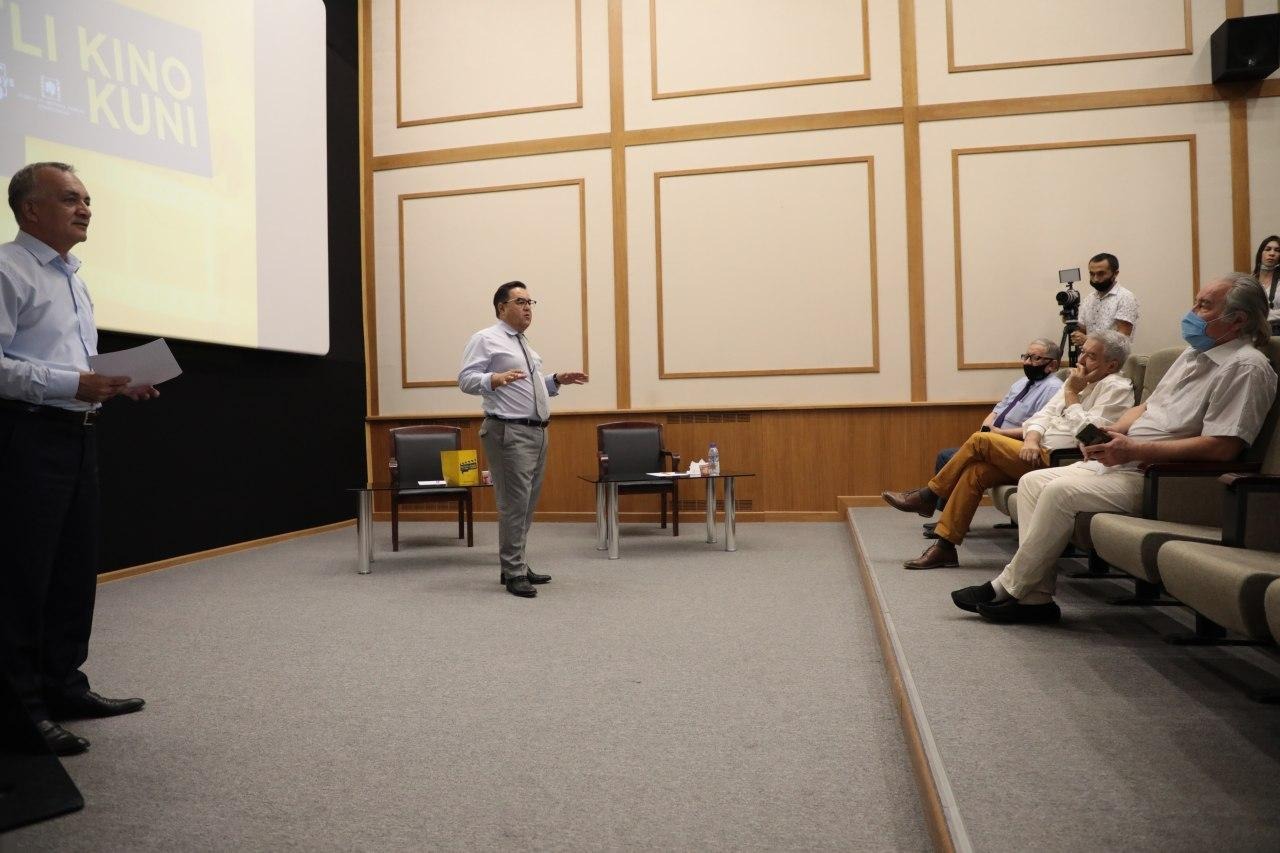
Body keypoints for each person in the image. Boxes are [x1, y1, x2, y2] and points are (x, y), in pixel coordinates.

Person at [951, 273, 1277, 624]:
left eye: (1204, 306)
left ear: (1237, 320)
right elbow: (1147, 407)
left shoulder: (1247, 367)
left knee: (1059, 492)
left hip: (1165, 480)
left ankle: (1007, 586)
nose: (1192, 312)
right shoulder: (1192, 355)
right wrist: (1112, 433)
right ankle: (1035, 598)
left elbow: (1222, 448)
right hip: (1127, 462)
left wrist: (1134, 450)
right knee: (1032, 482)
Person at [0, 162, 159, 757]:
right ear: (30, 209)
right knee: (22, 577)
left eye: (87, 199)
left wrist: (117, 382)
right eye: (70, 199)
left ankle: (64, 687)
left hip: (77, 435)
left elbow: (72, 359)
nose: (85, 208)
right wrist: (72, 384)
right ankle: (21, 713)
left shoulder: (73, 277)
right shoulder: (7, 269)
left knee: (71, 570)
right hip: (25, 437)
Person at [882, 331, 1134, 568]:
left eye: (1091, 356)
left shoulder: (1116, 389)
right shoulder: (1077, 382)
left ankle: (928, 496)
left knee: (980, 440)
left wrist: (1071, 395)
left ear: (1111, 365)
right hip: (1034, 451)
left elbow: (1091, 436)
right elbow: (1041, 418)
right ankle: (944, 547)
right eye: (1083, 352)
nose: (1081, 360)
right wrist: (1032, 439)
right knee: (976, 472)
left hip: (1063, 462)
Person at [458, 281, 587, 598]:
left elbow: (528, 385)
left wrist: (555, 380)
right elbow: (466, 380)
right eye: (520, 302)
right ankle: (514, 572)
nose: (528, 307)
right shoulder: (486, 339)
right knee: (514, 505)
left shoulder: (523, 344)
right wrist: (493, 378)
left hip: (537, 431)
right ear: (502, 307)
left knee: (526, 505)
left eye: (530, 302)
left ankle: (516, 563)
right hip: (508, 432)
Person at [921, 339, 1064, 534]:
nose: (1027, 362)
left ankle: (929, 498)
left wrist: (998, 434)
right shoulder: (1021, 383)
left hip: (1018, 444)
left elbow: (1039, 426)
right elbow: (998, 410)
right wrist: (986, 428)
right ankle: (946, 520)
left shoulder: (1053, 388)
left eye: (1035, 358)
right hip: (996, 438)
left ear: (1052, 365)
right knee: (947, 455)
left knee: (963, 456)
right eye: (1026, 356)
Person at [1068, 252, 1139, 349]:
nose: (1095, 279)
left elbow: (1123, 339)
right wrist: (1070, 321)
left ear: (1115, 273)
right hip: (1088, 355)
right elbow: (1082, 330)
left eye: (1101, 273)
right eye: (1092, 274)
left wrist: (1088, 341)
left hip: (1114, 357)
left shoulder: (1125, 297)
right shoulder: (1089, 299)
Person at [1252, 234, 1279, 323]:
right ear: (1260, 253)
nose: (1272, 253)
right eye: (1268, 249)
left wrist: (1263, 315)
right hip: (1254, 329)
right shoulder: (1250, 281)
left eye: (1277, 250)